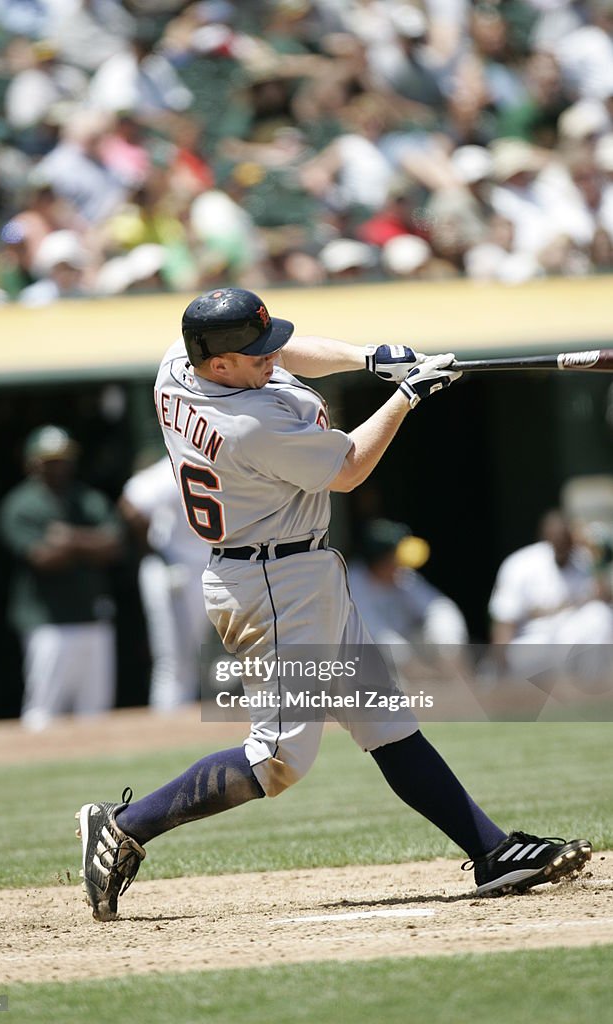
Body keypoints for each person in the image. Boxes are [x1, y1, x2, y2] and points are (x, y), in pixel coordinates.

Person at [76, 288, 591, 921]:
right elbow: (348, 468)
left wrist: (371, 359)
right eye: (254, 353)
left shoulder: (179, 365)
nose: (271, 356)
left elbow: (286, 347)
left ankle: (492, 851)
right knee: (279, 759)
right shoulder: (249, 423)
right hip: (271, 584)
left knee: (384, 721)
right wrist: (406, 397)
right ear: (220, 365)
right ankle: (125, 826)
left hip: (295, 569)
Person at [0, 425, 122, 731]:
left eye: (64, 459)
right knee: (44, 712)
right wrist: (89, 544)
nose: (59, 466)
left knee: (96, 712)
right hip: (47, 622)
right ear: (33, 463)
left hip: (92, 616)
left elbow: (114, 546)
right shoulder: (22, 504)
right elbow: (42, 558)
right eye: (51, 460)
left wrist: (70, 540)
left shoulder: (87, 499)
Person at [118, 455, 210, 712]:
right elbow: (130, 504)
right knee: (173, 663)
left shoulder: (220, 457)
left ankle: (179, 724)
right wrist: (156, 547)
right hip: (174, 569)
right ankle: (167, 724)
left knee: (193, 658)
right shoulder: (177, 462)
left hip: (205, 570)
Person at [489, 508, 613, 680]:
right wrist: (499, 667)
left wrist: (597, 557)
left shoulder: (584, 560)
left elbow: (604, 600)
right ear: (545, 536)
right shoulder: (521, 564)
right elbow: (504, 622)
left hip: (569, 643)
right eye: (555, 536)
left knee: (599, 615)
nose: (560, 541)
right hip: (533, 645)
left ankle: (594, 687)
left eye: (565, 536)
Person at [348, 518, 468, 669]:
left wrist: (449, 648)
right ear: (379, 560)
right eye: (394, 557)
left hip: (406, 649)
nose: (400, 563)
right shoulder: (353, 582)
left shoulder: (402, 575)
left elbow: (439, 607)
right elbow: (376, 635)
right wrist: (411, 663)